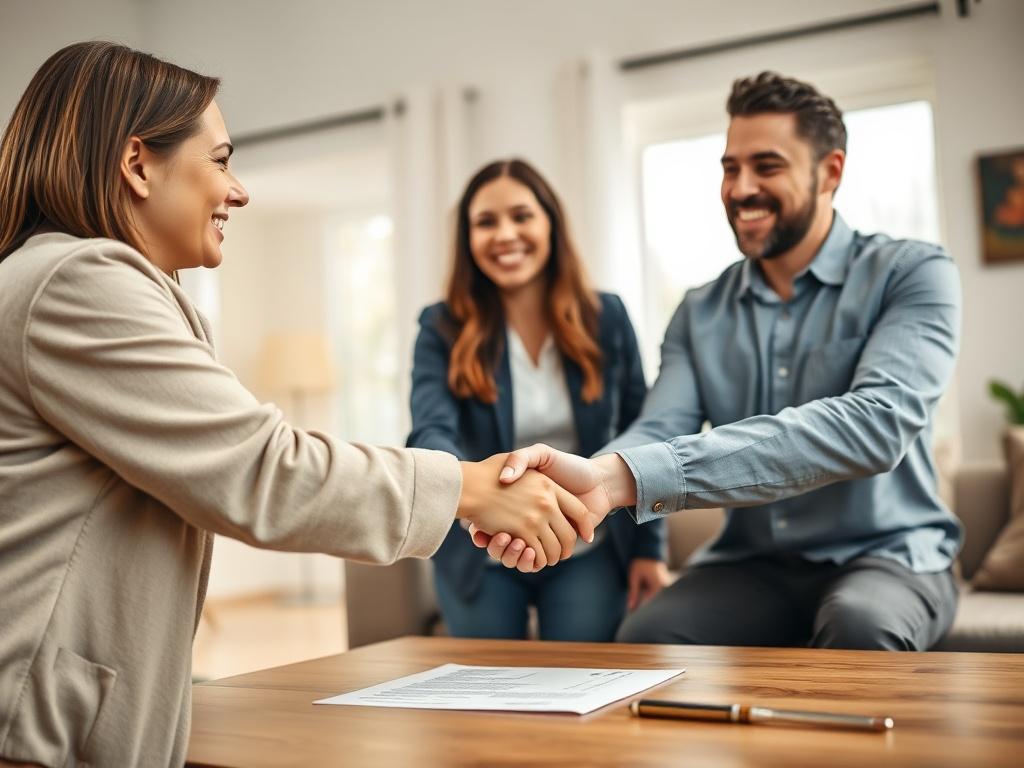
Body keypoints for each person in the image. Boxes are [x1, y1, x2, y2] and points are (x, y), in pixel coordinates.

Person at [0, 43, 593, 767]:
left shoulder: (82, 281)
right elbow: (261, 469)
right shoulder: (77, 281)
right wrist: (471, 490)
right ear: (137, 164)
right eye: (219, 160)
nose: (238, 190)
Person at [482, 71, 962, 652]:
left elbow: (875, 424)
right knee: (645, 637)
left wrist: (620, 479)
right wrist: (573, 484)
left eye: (767, 166)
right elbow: (660, 425)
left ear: (830, 171)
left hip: (888, 554)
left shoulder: (912, 274)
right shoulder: (699, 311)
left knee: (860, 626)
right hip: (753, 564)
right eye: (730, 168)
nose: (740, 188)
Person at [407, 159, 668, 641]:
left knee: (584, 683)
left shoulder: (605, 316)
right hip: (479, 543)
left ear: (550, 222)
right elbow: (431, 431)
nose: (505, 234)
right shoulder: (440, 326)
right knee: (487, 693)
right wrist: (481, 500)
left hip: (587, 542)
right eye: (486, 222)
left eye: (522, 216)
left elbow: (644, 431)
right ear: (468, 238)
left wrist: (650, 549)